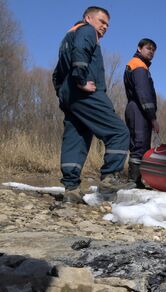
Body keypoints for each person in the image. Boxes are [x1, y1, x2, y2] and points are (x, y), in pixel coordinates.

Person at [52, 6, 135, 203]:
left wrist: (63, 93)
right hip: (85, 92)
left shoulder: (67, 37)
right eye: (101, 21)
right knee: (119, 132)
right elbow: (81, 52)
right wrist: (80, 80)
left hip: (70, 96)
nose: (105, 27)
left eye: (107, 24)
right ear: (89, 18)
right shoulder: (86, 31)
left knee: (76, 138)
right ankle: (109, 177)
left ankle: (71, 190)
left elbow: (56, 74)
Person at [124, 38, 158, 188]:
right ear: (139, 48)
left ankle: (137, 180)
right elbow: (143, 94)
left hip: (138, 108)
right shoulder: (138, 66)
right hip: (138, 108)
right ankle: (133, 181)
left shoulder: (141, 66)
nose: (151, 52)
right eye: (148, 48)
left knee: (142, 144)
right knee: (139, 144)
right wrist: (153, 117)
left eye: (153, 50)